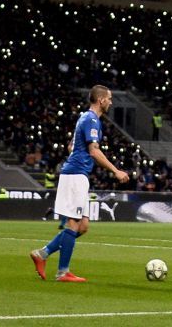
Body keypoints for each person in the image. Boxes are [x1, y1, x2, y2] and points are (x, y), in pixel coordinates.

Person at [31, 85, 129, 283]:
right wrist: (115, 170)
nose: (111, 102)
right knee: (73, 223)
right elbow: (94, 151)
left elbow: (71, 146)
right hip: (75, 175)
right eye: (109, 98)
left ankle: (42, 254)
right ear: (101, 100)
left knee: (82, 226)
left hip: (77, 174)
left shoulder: (85, 118)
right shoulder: (91, 119)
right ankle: (62, 272)